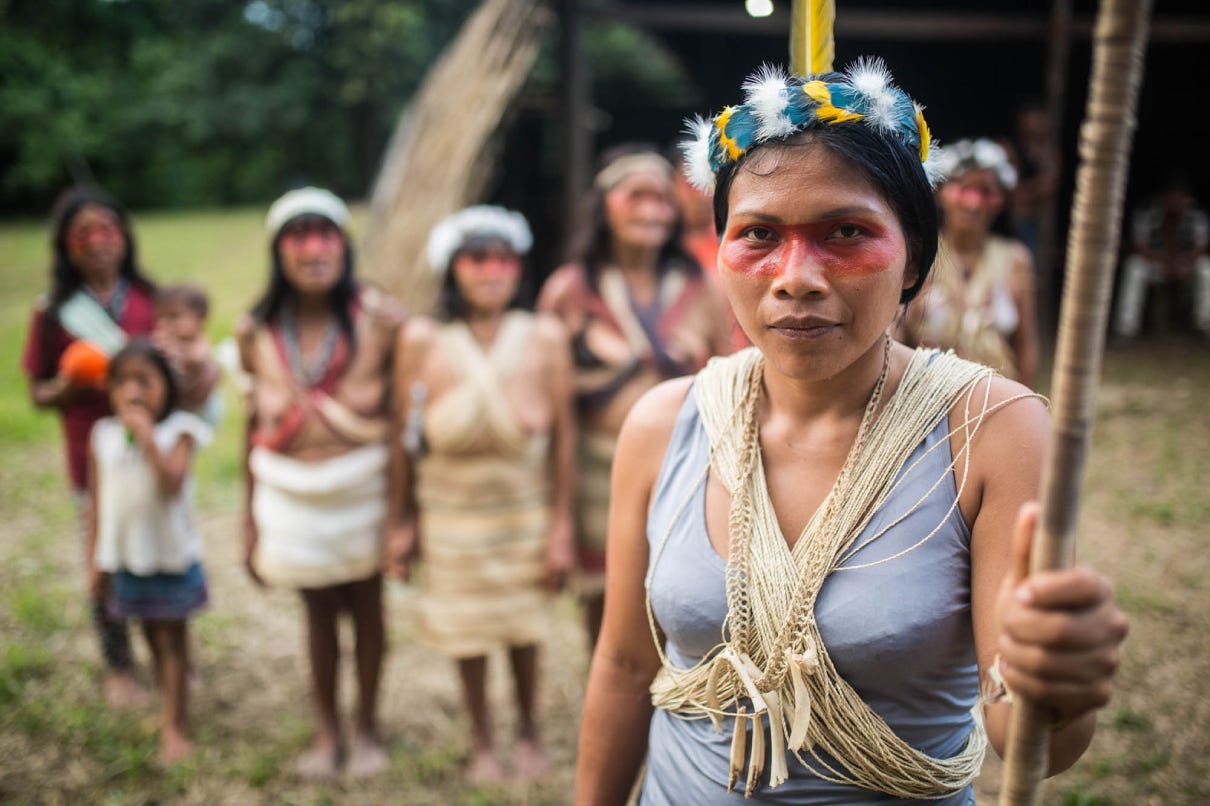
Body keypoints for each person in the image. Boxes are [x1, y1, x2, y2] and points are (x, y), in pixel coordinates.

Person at [575, 61, 1129, 803]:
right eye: (759, 234)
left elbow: (1025, 739)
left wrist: (1058, 685)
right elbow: (621, 666)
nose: (795, 275)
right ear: (722, 253)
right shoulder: (666, 423)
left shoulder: (992, 430)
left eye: (846, 231)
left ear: (914, 261)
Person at [387, 205, 576, 784]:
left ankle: (528, 733)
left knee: (523, 630)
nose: (491, 271)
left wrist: (561, 527)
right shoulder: (421, 340)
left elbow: (564, 436)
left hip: (523, 512)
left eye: (502, 259)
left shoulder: (544, 336)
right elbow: (404, 438)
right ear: (453, 269)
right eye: (477, 259)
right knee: (464, 631)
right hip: (450, 513)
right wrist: (400, 523)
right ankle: (482, 742)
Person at [237, 186, 403, 780]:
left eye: (325, 234)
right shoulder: (254, 331)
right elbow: (249, 426)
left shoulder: (380, 321)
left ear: (344, 246)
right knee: (316, 612)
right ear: (277, 251)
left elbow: (405, 421)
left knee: (366, 608)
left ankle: (367, 726)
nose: (313, 249)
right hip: (291, 499)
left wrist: (403, 516)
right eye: (298, 236)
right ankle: (327, 727)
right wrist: (247, 520)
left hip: (363, 495)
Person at [537, 145, 732, 647]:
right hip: (596, 477)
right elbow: (555, 417)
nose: (651, 210)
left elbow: (730, 389)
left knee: (682, 602)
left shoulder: (703, 288)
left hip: (687, 472)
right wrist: (557, 520)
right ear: (603, 206)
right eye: (635, 197)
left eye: (662, 199)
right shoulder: (568, 291)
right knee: (604, 608)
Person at [21, 185, 158, 708]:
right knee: (104, 559)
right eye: (84, 234)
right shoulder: (55, 311)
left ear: (124, 237)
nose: (98, 242)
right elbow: (38, 392)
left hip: (148, 454)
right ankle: (118, 665)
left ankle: (163, 645)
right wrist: (69, 388)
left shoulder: (148, 299)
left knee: (155, 551)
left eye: (108, 230)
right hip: (92, 463)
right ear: (65, 245)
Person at [87, 340, 212, 763]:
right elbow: (97, 504)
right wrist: (96, 562)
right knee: (149, 638)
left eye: (145, 380)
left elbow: (170, 486)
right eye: (121, 382)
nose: (133, 392)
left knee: (172, 639)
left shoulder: (181, 430)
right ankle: (171, 705)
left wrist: (146, 439)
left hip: (171, 558)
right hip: (127, 560)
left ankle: (174, 726)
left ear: (168, 386)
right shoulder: (102, 435)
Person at [901, 138, 1040, 388]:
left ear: (1000, 200)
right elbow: (895, 337)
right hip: (928, 398)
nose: (974, 203)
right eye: (964, 189)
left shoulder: (1016, 259)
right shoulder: (918, 255)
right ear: (942, 193)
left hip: (996, 397)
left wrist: (1028, 403)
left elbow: (1026, 346)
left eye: (986, 192)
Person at [1112, 179, 1210, 339]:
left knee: (1206, 269)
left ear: (1187, 199)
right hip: (1156, 263)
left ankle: (1205, 326)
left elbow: (1201, 247)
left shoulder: (1196, 215)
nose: (1176, 202)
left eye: (1181, 197)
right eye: (1173, 197)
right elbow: (1139, 246)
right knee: (1134, 267)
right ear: (1164, 197)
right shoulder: (1148, 212)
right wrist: (1164, 262)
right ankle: (1126, 329)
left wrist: (1184, 263)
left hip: (1185, 265)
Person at [153, 283, 223, 425]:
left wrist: (176, 353)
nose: (167, 323)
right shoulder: (165, 340)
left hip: (201, 409)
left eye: (174, 316)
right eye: (161, 317)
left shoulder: (199, 342)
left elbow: (199, 358)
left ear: (200, 318)